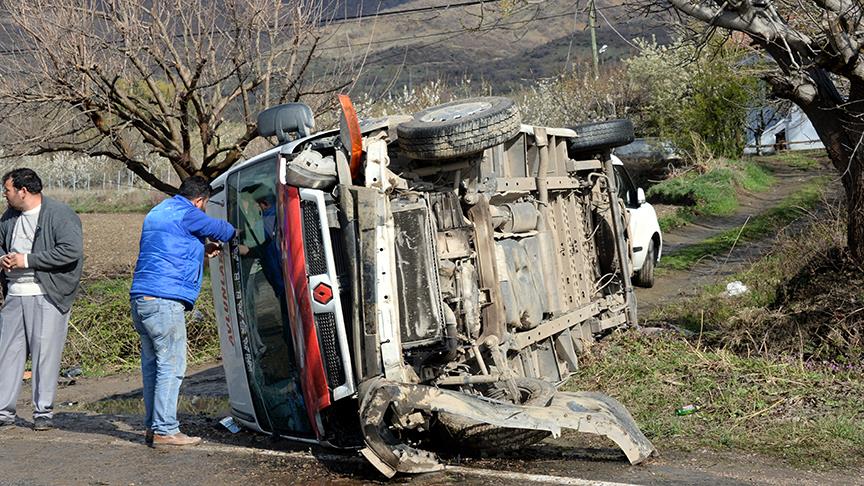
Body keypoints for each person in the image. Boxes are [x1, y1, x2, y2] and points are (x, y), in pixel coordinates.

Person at [130, 176, 235, 447]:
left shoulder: (159, 211)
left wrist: (201, 247)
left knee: (153, 365)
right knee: (172, 364)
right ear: (200, 200)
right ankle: (166, 429)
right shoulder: (189, 212)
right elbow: (224, 230)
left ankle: (154, 427)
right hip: (164, 301)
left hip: (142, 298)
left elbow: (169, 247)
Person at [0, 168, 84, 431]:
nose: (5, 195)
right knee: (7, 355)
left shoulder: (60, 214)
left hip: (47, 294)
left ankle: (43, 412)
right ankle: (3, 412)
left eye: (8, 190)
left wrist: (28, 260)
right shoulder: (9, 217)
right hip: (14, 295)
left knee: (45, 355)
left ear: (23, 191)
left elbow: (71, 251)